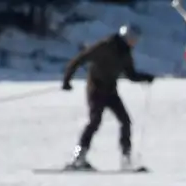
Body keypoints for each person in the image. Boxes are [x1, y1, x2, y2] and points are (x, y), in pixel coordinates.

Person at [61, 25, 155, 171]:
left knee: (125, 121)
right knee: (94, 122)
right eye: (133, 39)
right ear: (126, 37)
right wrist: (67, 80)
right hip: (96, 90)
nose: (135, 42)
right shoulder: (105, 46)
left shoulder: (126, 53)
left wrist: (145, 77)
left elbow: (130, 74)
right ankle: (78, 157)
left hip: (111, 91)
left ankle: (126, 159)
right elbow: (80, 59)